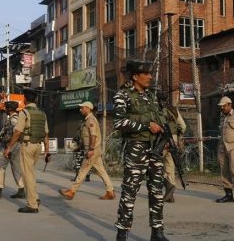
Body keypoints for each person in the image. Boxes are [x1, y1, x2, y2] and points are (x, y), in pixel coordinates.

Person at [113, 60, 168, 241]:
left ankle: (157, 231)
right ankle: (122, 232)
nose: (150, 77)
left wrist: (165, 137)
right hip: (136, 149)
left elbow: (160, 119)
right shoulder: (123, 95)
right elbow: (119, 122)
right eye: (146, 74)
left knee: (157, 191)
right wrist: (146, 125)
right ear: (135, 76)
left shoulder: (152, 96)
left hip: (155, 149)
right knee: (130, 191)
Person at [4, 89, 50, 213]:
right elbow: (46, 133)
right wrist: (47, 151)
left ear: (24, 99)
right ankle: (35, 197)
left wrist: (8, 147)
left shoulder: (24, 112)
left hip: (28, 145)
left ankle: (32, 205)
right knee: (31, 174)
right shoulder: (42, 113)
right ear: (35, 100)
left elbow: (17, 132)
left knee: (27, 175)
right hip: (38, 146)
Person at [59, 101, 115, 200]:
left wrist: (91, 149)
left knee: (82, 171)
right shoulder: (87, 120)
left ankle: (72, 191)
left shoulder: (91, 120)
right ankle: (110, 191)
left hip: (92, 150)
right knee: (101, 171)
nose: (80, 110)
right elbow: (86, 137)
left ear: (88, 108)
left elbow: (93, 136)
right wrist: (79, 147)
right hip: (95, 150)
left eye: (82, 108)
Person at [157, 91, 186, 203]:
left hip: (161, 140)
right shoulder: (173, 109)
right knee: (170, 166)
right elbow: (183, 126)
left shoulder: (156, 109)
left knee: (153, 163)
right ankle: (170, 194)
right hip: (172, 139)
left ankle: (168, 188)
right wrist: (177, 137)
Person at [0, 101, 25, 200]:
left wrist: (9, 148)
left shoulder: (14, 119)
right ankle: (21, 190)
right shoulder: (14, 118)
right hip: (14, 146)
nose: (5, 109)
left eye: (6, 108)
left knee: (1, 166)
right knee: (16, 167)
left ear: (9, 109)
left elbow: (17, 133)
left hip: (12, 146)